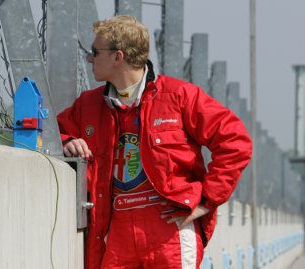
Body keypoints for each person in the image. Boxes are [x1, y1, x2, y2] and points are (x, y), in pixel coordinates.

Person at [57, 15, 252, 269]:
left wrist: (206, 200)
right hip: (115, 232)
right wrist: (67, 140)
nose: (89, 58)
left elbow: (235, 141)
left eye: (95, 51)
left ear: (118, 57)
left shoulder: (179, 96)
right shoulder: (88, 105)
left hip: (169, 229)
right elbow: (53, 132)